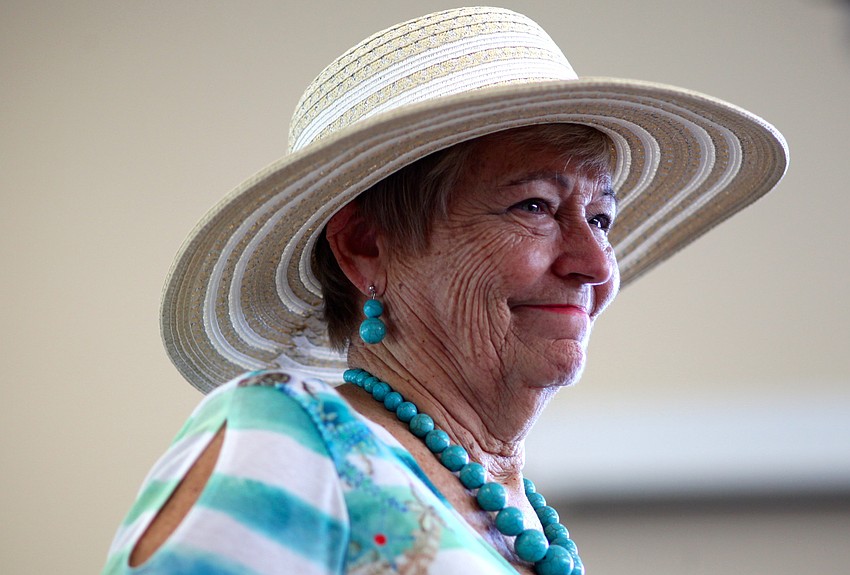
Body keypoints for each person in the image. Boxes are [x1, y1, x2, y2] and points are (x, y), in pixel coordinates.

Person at [102, 6, 788, 575]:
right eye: (536, 207)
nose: (595, 264)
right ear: (366, 246)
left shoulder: (516, 514)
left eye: (601, 218)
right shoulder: (290, 438)